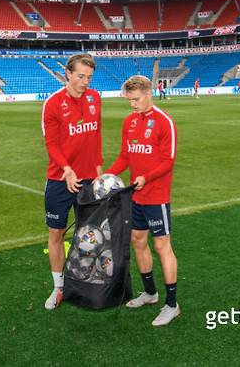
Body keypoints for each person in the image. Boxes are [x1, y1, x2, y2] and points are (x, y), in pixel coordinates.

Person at [106, 75, 179, 326]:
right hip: (135, 195)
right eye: (129, 100)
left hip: (156, 195)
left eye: (135, 99)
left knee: (162, 246)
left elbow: (168, 161)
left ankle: (172, 305)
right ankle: (150, 293)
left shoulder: (164, 122)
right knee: (138, 241)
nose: (132, 104)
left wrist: (145, 177)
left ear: (148, 93)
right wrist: (106, 175)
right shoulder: (129, 122)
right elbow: (125, 156)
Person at [41, 53, 103, 310]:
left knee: (89, 235)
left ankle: (84, 282)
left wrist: (99, 171)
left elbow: (96, 135)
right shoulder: (53, 103)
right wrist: (66, 169)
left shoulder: (95, 98)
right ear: (67, 73)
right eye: (80, 76)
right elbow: (52, 144)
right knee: (56, 233)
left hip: (89, 179)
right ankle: (58, 288)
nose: (85, 82)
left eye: (89, 77)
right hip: (59, 179)